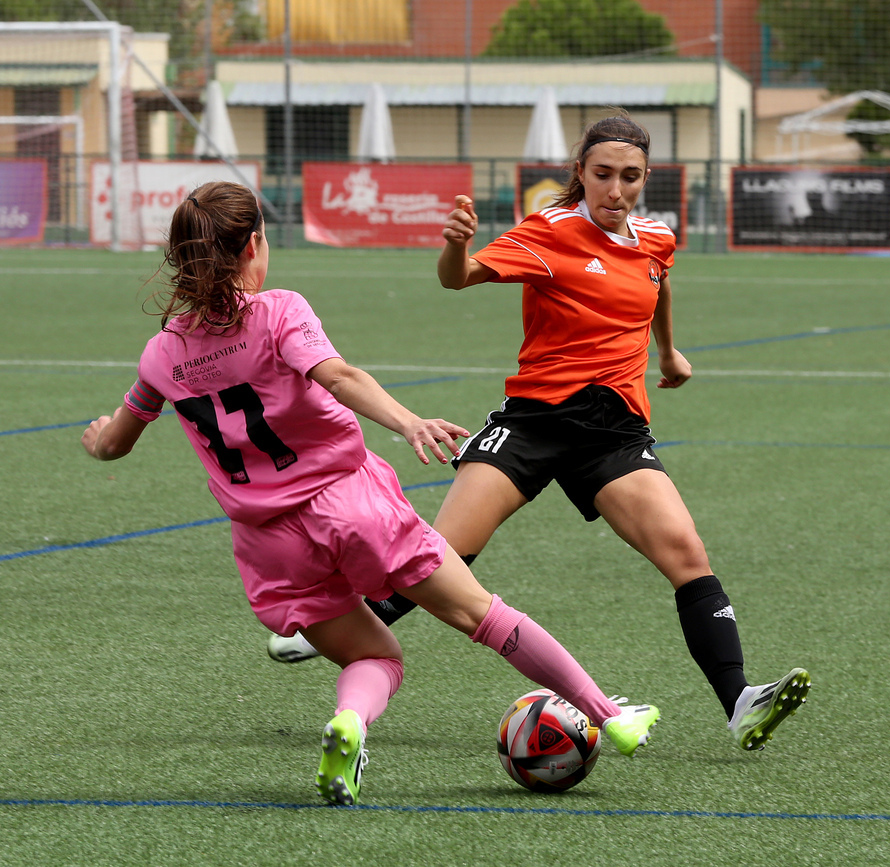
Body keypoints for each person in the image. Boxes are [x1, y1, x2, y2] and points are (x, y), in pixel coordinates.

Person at [80, 180, 660, 807]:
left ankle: (351, 722)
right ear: (252, 245)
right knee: (482, 616)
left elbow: (117, 441)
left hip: (269, 546)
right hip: (349, 506)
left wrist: (96, 441)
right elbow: (339, 375)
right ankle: (608, 714)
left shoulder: (161, 354)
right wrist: (410, 422)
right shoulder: (278, 312)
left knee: (377, 656)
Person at [267, 112, 811, 752]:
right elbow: (457, 278)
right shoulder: (546, 232)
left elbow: (659, 285)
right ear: (580, 173)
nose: (616, 189)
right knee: (441, 555)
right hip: (533, 421)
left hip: (613, 432)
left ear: (645, 179)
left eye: (629, 177)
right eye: (602, 174)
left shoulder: (657, 238)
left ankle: (740, 702)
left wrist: (669, 352)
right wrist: (455, 244)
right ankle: (325, 623)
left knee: (688, 558)